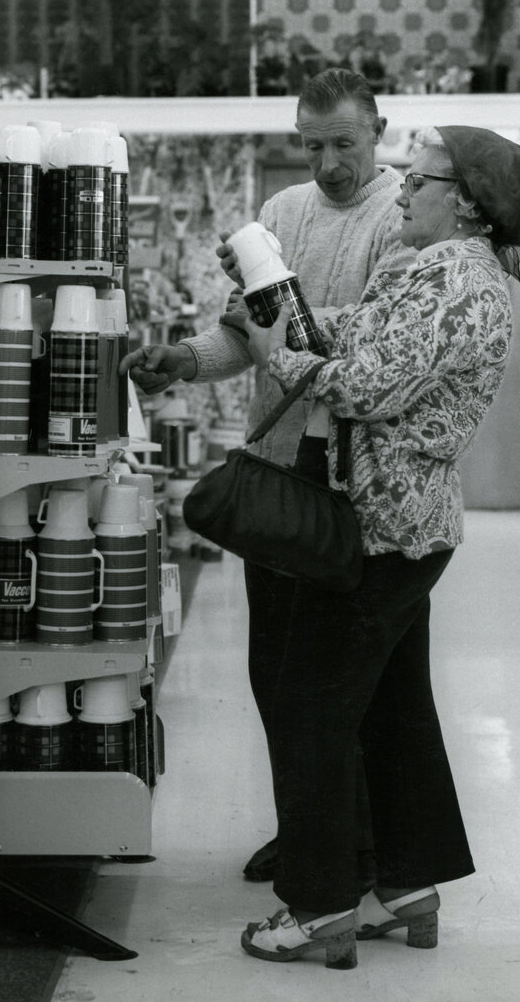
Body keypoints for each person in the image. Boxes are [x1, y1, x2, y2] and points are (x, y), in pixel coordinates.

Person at [234, 125, 520, 968]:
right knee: (392, 712)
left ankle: (317, 908)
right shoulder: (437, 272)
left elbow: (364, 385)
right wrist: (277, 296)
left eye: (417, 182)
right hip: (405, 524)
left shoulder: (453, 279)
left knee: (311, 706)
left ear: (462, 201)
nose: (402, 191)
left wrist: (278, 353)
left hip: (378, 530)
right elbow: (356, 330)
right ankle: (407, 885)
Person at [123, 68, 406, 882]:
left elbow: (353, 353)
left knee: (342, 685)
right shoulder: (280, 215)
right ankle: (305, 831)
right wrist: (182, 359)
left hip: (355, 483)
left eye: (343, 144)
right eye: (311, 144)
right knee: (275, 672)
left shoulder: (399, 221)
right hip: (275, 474)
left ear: (378, 130)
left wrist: (275, 315)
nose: (326, 162)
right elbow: (243, 340)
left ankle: (352, 844)